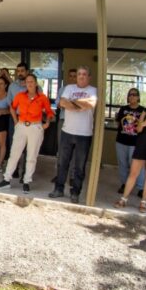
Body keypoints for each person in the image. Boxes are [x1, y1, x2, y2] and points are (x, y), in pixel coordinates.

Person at [0, 73, 54, 193]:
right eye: (27, 82)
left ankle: (26, 181)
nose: (30, 84)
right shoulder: (20, 96)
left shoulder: (42, 97)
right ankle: (6, 179)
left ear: (36, 83)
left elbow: (49, 112)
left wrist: (47, 122)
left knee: (31, 156)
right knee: (14, 153)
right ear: (25, 84)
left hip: (35, 127)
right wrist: (16, 121)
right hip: (21, 125)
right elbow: (12, 107)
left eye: (32, 82)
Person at [49, 66, 97, 203]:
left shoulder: (93, 90)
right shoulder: (69, 88)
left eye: (84, 74)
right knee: (62, 163)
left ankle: (75, 192)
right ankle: (58, 189)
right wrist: (81, 104)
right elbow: (63, 102)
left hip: (85, 134)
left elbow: (91, 104)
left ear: (89, 77)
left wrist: (72, 103)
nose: (81, 76)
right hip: (67, 132)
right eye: (79, 74)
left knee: (79, 166)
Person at [114, 88, 145, 195]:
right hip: (121, 141)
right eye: (130, 94)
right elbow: (118, 123)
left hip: (136, 143)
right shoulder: (123, 109)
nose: (132, 96)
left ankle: (141, 188)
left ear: (138, 97)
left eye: (134, 94)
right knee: (122, 164)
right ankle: (124, 184)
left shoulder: (144, 110)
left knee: (137, 166)